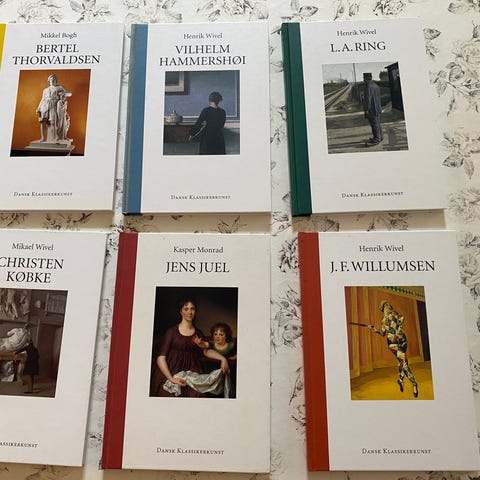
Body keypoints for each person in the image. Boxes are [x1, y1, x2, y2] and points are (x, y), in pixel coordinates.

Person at [150, 297, 229, 397]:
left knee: (198, 394)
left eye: (192, 309)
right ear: (181, 312)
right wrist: (171, 379)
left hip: (192, 370)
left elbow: (206, 351)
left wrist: (223, 359)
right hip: (171, 370)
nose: (190, 312)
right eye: (186, 309)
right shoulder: (171, 332)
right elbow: (161, 358)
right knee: (169, 394)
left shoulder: (198, 333)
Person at [369, 300, 418, 397]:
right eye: (386, 305)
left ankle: (400, 380)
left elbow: (402, 317)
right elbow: (383, 333)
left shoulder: (394, 313)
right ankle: (414, 384)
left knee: (401, 362)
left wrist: (399, 327)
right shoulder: (383, 320)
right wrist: (374, 329)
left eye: (388, 304)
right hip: (393, 344)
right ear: (383, 308)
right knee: (404, 364)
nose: (388, 305)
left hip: (402, 340)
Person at [36, 74, 72, 143]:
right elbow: (42, 99)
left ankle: (55, 138)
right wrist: (38, 108)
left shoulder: (59, 87)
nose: (52, 81)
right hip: (45, 106)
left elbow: (69, 93)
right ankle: (43, 138)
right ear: (49, 81)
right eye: (51, 80)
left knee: (53, 122)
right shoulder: (45, 90)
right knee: (43, 122)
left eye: (54, 80)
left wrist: (64, 93)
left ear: (56, 81)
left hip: (54, 106)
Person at [362, 72, 383, 146]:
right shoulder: (376, 85)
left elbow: (368, 99)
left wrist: (366, 109)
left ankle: (376, 139)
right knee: (378, 123)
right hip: (377, 108)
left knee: (374, 124)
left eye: (364, 78)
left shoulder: (368, 86)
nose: (363, 79)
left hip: (371, 109)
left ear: (366, 78)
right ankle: (380, 137)